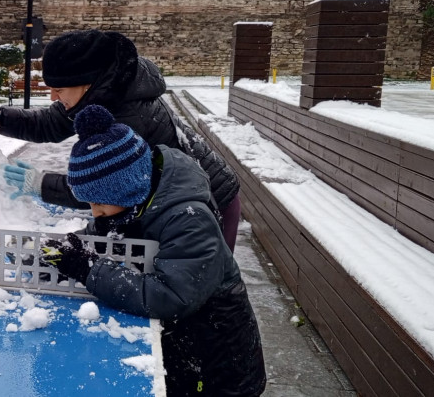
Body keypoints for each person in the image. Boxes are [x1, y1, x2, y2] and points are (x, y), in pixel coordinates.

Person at [41, 105, 266, 396]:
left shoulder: (189, 220)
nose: (95, 213)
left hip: (216, 360)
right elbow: (101, 236)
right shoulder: (134, 205)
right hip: (182, 348)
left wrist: (88, 269)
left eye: (99, 203)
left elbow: (170, 296)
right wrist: (63, 252)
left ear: (127, 190)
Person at [0, 29, 241, 250]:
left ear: (88, 83)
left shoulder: (127, 117)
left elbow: (108, 189)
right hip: (168, 199)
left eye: (58, 89)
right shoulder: (101, 93)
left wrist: (41, 185)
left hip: (204, 208)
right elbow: (51, 122)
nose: (52, 98)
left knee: (198, 295)